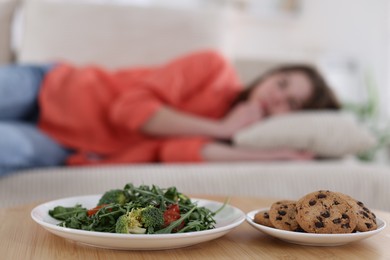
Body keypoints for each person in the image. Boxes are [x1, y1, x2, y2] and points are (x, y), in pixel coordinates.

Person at [0, 50, 340, 176]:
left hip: (65, 147)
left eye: (292, 104)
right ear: (270, 75)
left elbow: (174, 151)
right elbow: (128, 110)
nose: (276, 98)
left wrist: (279, 154)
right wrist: (220, 126)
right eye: (281, 84)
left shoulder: (235, 138)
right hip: (56, 87)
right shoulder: (214, 67)